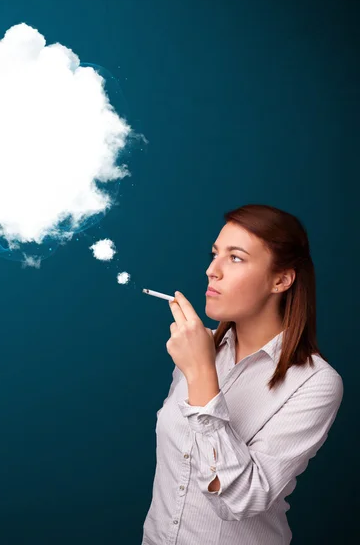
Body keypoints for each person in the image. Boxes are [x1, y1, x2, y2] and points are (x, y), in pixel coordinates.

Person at [141, 203, 344, 545]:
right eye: (214, 254)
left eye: (235, 257)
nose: (211, 270)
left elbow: (240, 500)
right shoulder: (200, 349)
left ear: (281, 280)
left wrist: (202, 373)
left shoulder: (316, 383)